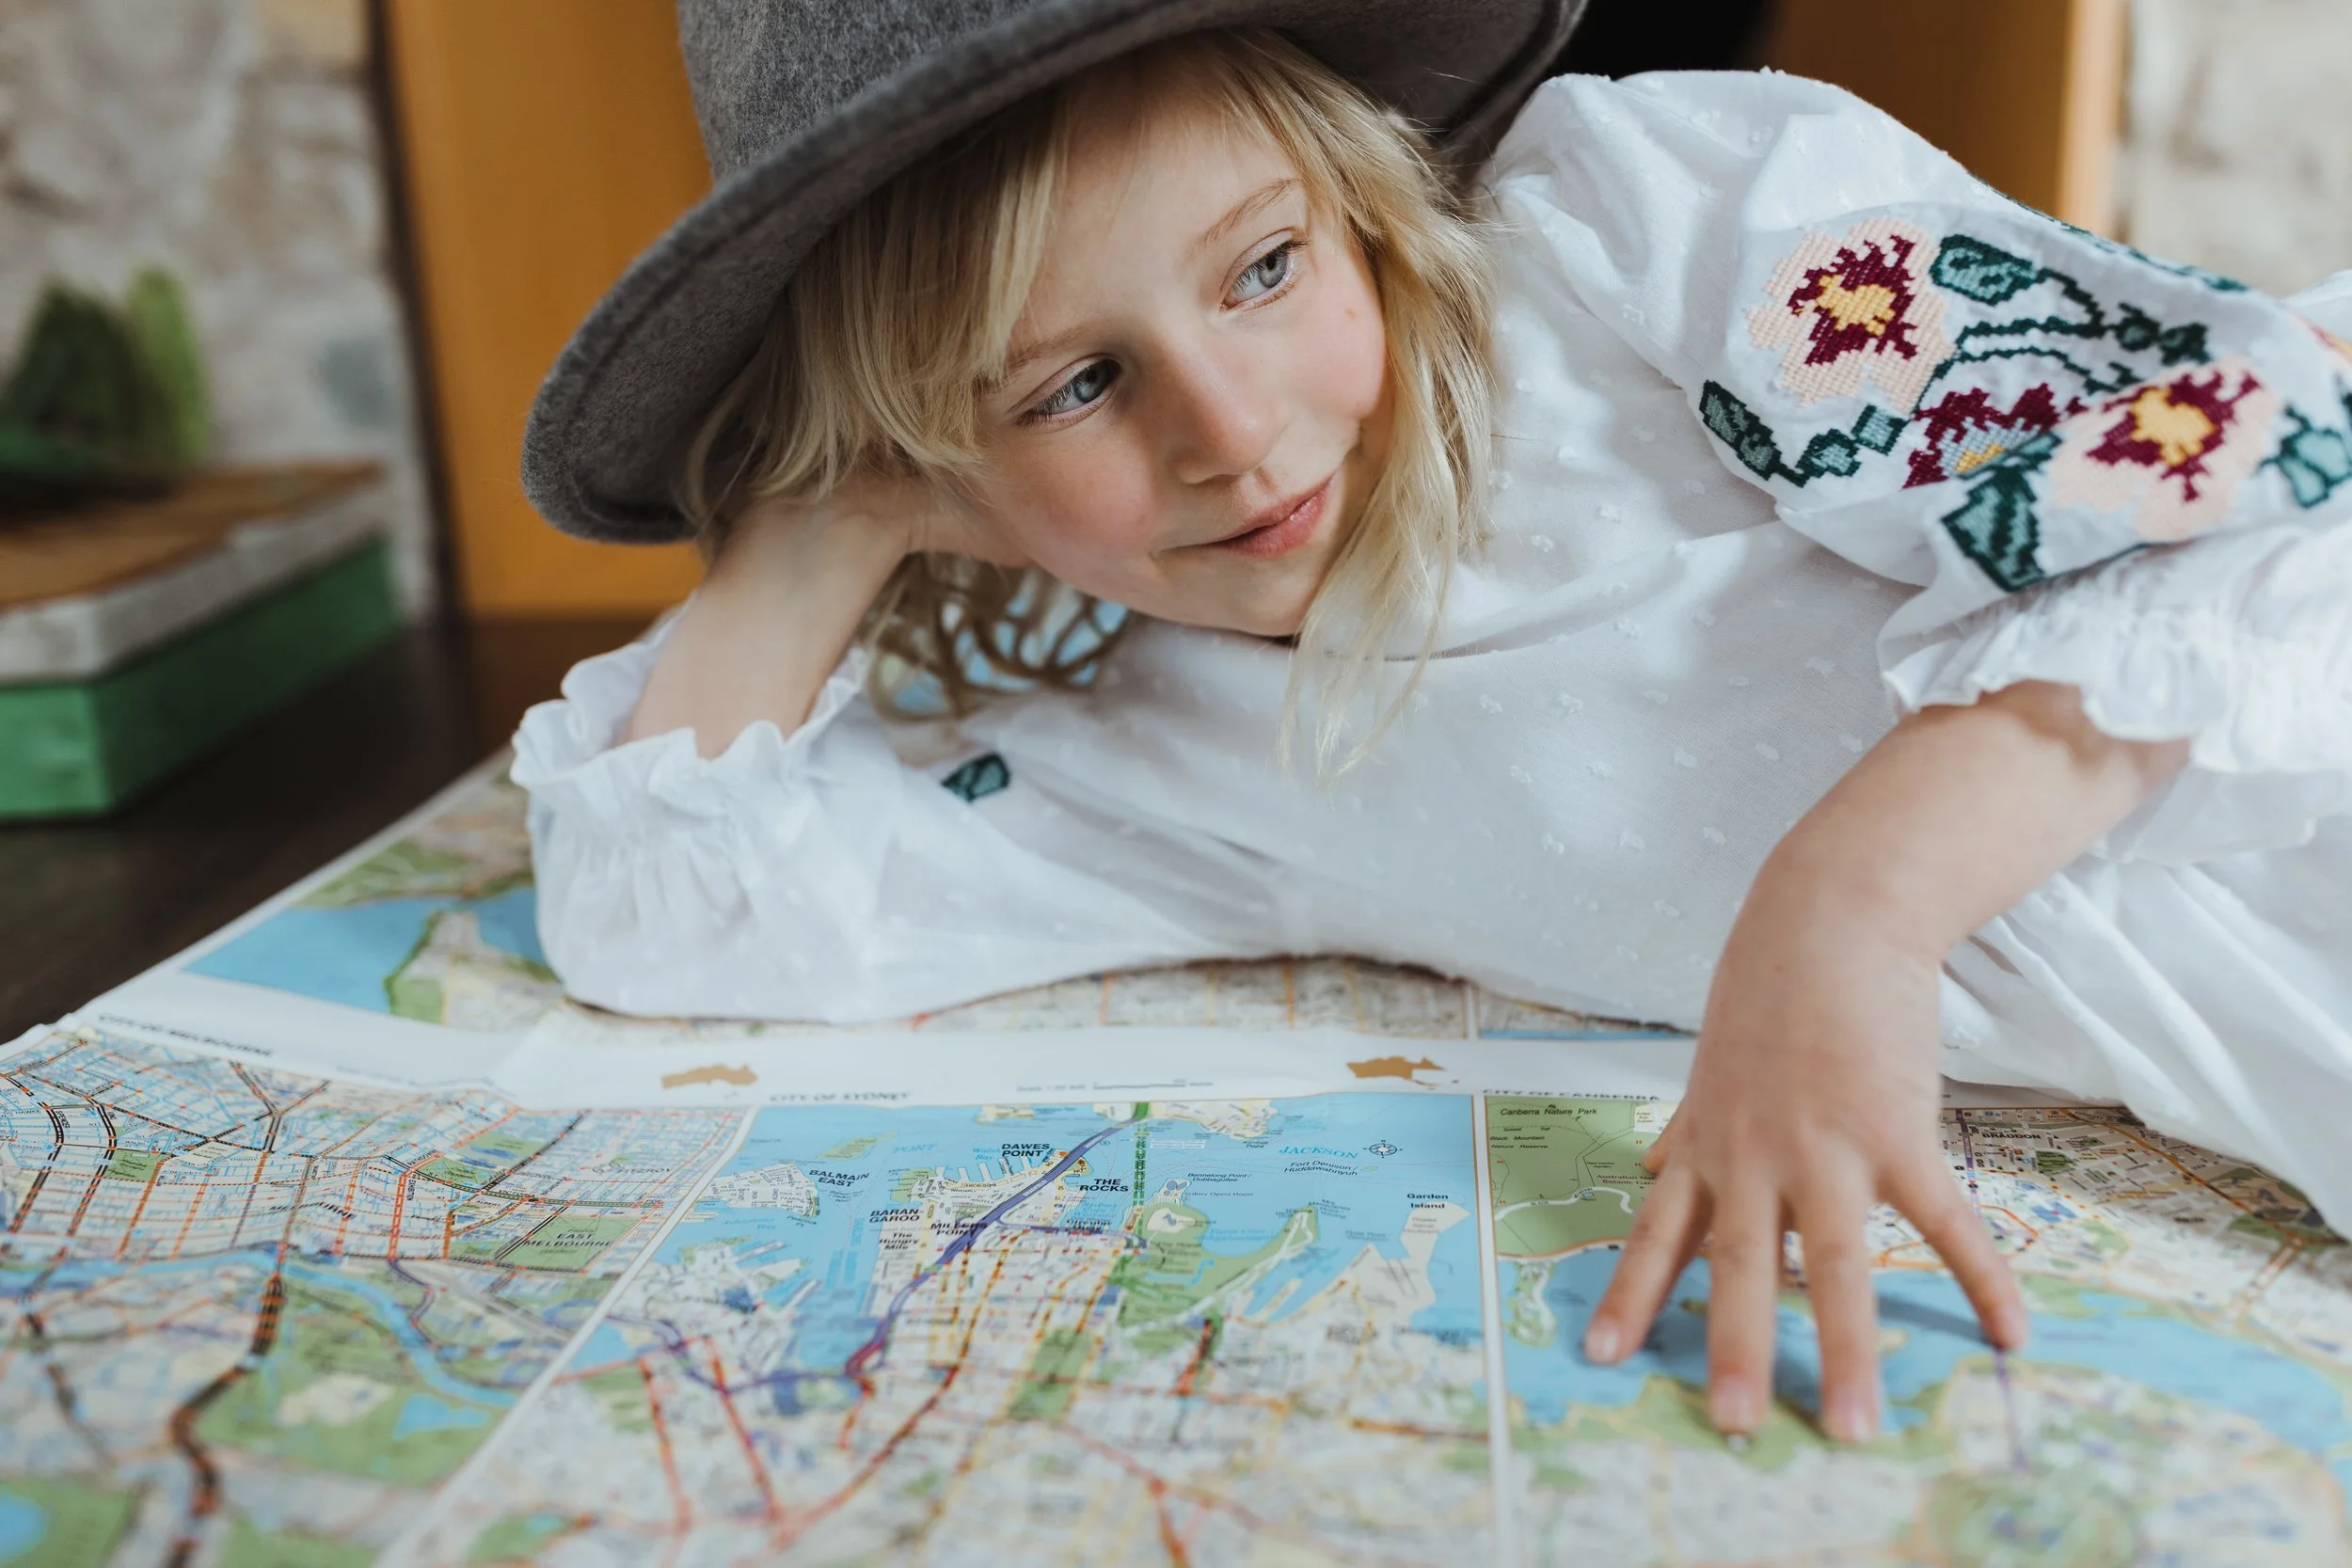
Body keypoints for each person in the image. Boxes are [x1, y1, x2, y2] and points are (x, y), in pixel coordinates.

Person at [512, 15, 2352, 1448]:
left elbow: (2265, 478)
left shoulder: (1627, 229)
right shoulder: (1160, 751)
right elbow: (672, 912)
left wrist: (1851, 905)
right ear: (932, 461)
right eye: (1073, 382)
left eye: (1258, 269)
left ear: (1357, 195)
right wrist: (823, 519)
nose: (1228, 429)